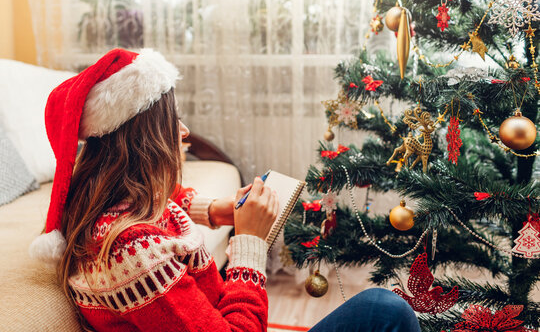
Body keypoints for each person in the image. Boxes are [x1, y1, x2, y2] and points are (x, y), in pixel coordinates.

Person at [29, 48, 420, 332]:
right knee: (384, 310)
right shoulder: (135, 254)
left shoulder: (98, 204)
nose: (183, 133)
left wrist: (218, 211)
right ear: (143, 141)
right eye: (172, 121)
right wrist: (249, 242)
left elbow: (165, 202)